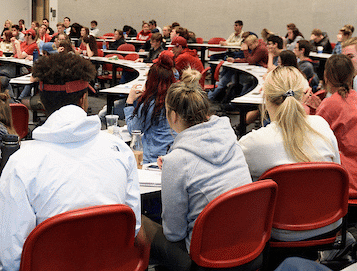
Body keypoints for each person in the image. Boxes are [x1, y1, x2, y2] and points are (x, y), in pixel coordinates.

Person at [0, 52, 140, 271]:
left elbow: (9, 256)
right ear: (83, 99)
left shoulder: (21, 163)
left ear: (41, 102)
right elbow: (132, 227)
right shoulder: (120, 151)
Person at [147, 69, 252, 271]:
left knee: (140, 222)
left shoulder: (177, 161)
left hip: (205, 255)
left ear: (173, 115)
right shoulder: (231, 139)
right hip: (246, 243)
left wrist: (172, 169)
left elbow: (174, 234)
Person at [238, 67, 342, 239]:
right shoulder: (322, 125)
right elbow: (337, 170)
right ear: (304, 95)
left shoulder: (251, 144)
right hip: (329, 223)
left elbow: (240, 195)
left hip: (279, 231)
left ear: (265, 98)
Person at [303, 53, 357, 199]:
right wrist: (320, 107)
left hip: (347, 182)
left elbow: (310, 136)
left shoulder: (330, 104)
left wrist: (304, 108)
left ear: (326, 76)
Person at [124, 52, 178, 161]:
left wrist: (129, 102)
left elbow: (134, 130)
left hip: (152, 158)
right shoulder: (178, 100)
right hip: (174, 154)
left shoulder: (151, 103)